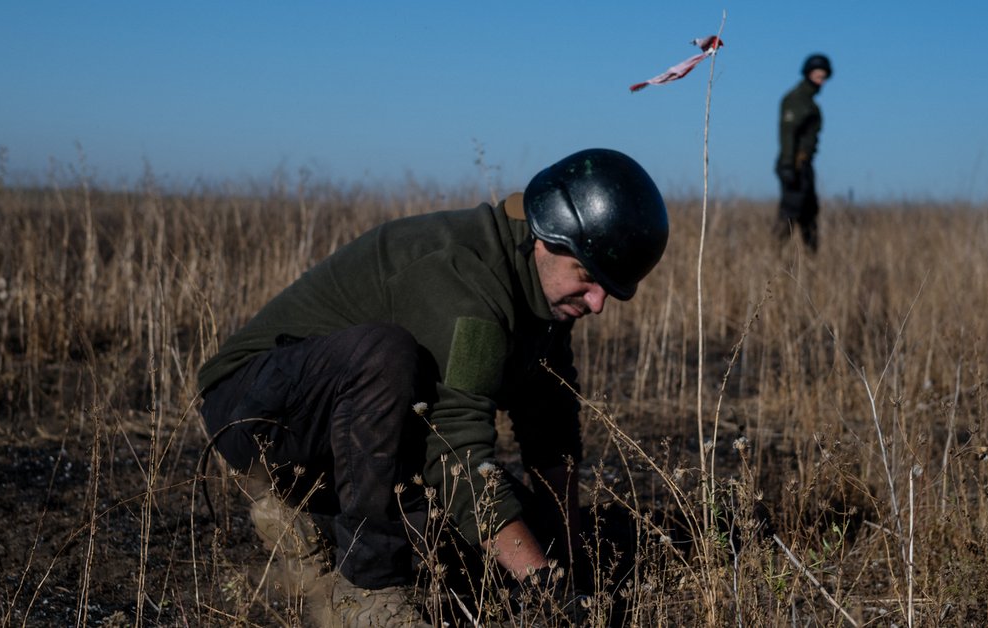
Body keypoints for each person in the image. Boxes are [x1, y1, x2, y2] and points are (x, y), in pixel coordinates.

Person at [197, 148, 669, 626]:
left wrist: (563, 558)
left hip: (355, 427)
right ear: (547, 239)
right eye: (588, 278)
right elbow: (454, 447)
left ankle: (313, 515)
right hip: (256, 411)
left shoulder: (543, 296)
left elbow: (552, 435)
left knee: (502, 534)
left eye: (611, 288)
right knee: (385, 355)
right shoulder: (469, 281)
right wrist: (546, 587)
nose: (598, 302)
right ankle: (366, 589)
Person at [774, 53, 832, 252]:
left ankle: (812, 259)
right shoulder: (796, 99)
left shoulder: (810, 103)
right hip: (793, 165)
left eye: (823, 77)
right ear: (808, 74)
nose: (821, 81)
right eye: (817, 76)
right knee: (790, 211)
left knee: (809, 213)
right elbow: (787, 133)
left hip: (805, 165)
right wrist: (789, 165)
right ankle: (774, 255)